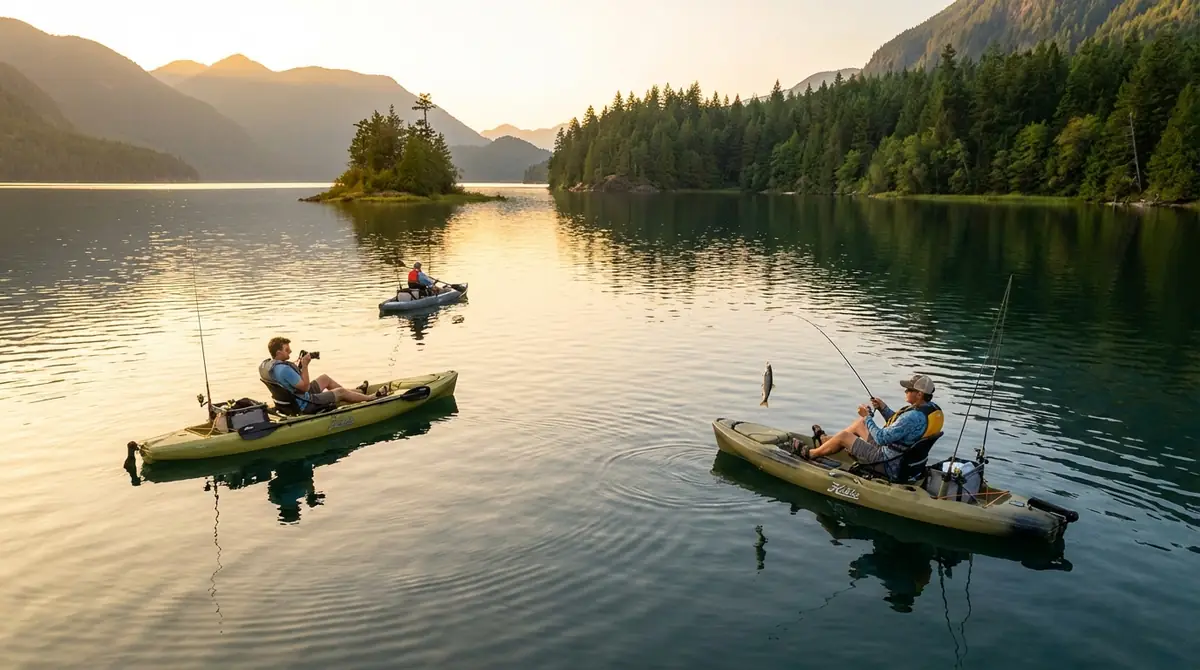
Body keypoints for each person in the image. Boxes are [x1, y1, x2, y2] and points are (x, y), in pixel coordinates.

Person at [797, 374, 944, 481]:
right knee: (859, 424)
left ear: (919, 394)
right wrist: (883, 408)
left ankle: (811, 454)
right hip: (899, 456)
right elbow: (901, 427)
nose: (905, 391)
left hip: (888, 462)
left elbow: (881, 438)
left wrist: (867, 416)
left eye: (908, 390)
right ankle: (826, 441)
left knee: (845, 435)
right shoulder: (930, 409)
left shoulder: (913, 417)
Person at [258, 337, 389, 414]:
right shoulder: (284, 370)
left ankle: (358, 392)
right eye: (287, 350)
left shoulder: (270, 366)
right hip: (304, 402)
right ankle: (370, 398)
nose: (290, 351)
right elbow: (304, 387)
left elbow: (289, 381)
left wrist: (299, 365)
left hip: (293, 397)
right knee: (340, 392)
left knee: (325, 378)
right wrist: (305, 365)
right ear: (278, 352)